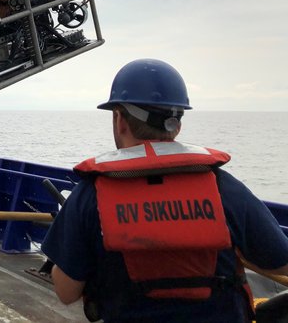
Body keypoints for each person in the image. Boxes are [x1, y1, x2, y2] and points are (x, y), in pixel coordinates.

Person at [42, 58, 288, 323]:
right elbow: (280, 261)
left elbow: (66, 292)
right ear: (177, 123)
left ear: (119, 120)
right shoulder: (222, 187)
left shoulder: (90, 194)